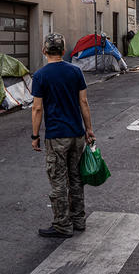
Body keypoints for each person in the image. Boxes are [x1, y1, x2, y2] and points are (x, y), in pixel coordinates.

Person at [31, 33, 96, 238]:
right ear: (62, 50)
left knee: (58, 180)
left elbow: (37, 109)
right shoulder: (76, 72)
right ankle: (78, 220)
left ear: (44, 50)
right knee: (76, 179)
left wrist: (35, 136)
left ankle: (62, 224)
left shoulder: (40, 76)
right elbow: (83, 103)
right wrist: (89, 129)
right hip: (77, 134)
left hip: (57, 136)